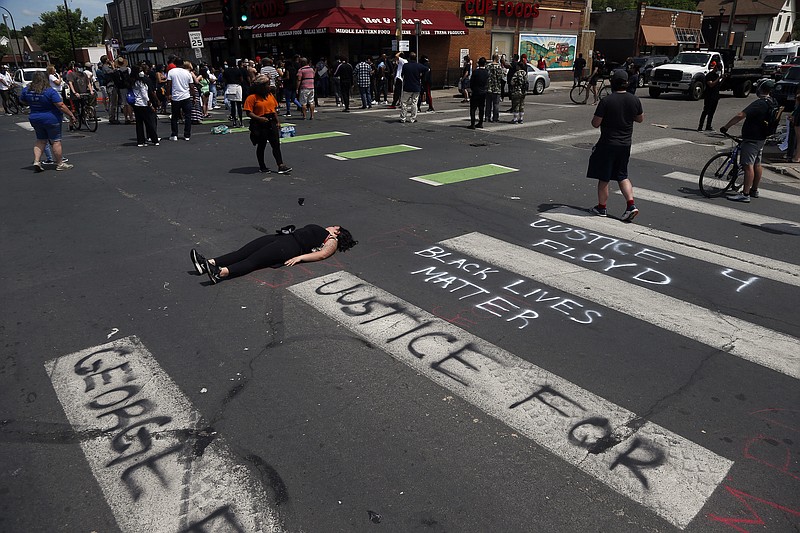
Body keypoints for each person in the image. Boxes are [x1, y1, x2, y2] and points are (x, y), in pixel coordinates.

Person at [191, 224, 357, 284]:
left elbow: (322, 254)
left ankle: (221, 273)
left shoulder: (332, 240)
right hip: (282, 238)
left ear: (338, 230)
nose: (332, 225)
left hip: (289, 247)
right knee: (242, 252)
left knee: (253, 260)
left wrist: (300, 257)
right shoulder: (326, 233)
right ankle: (209, 263)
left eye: (335, 225)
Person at [586, 70, 644, 222]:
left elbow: (595, 123)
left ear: (612, 83)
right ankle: (631, 205)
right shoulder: (634, 100)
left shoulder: (607, 101)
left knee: (604, 177)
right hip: (625, 144)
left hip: (608, 143)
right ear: (626, 82)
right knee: (622, 175)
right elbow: (640, 119)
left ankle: (601, 207)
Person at [720, 79, 778, 202]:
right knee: (757, 163)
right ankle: (754, 190)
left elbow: (741, 115)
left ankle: (745, 194)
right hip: (761, 137)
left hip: (752, 138)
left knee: (747, 166)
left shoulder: (760, 103)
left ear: (760, 89)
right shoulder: (772, 102)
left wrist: (726, 127)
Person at [20, 72, 76, 172]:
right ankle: (59, 163)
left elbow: (22, 101)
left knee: (41, 140)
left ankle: (37, 161)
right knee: (55, 141)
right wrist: (70, 114)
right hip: (51, 118)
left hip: (35, 117)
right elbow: (60, 105)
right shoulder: (49, 91)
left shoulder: (27, 90)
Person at [245, 75, 292, 175]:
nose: (269, 86)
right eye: (266, 84)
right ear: (260, 86)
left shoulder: (270, 95)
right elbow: (248, 112)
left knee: (276, 144)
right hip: (259, 123)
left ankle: (281, 165)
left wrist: (277, 121)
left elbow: (273, 110)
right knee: (261, 145)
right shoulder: (252, 98)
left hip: (271, 122)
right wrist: (259, 118)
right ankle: (262, 166)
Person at [130, 64, 160, 146]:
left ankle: (140, 141)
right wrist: (149, 103)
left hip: (136, 104)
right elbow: (144, 94)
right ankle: (154, 139)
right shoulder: (141, 82)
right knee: (149, 122)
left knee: (139, 123)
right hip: (143, 104)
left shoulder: (132, 81)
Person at [167, 59, 195, 141]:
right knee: (188, 116)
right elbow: (191, 87)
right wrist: (193, 97)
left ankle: (174, 134)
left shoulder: (171, 72)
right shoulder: (187, 73)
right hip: (186, 96)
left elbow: (169, 85)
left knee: (174, 117)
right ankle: (187, 135)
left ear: (175, 64)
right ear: (182, 64)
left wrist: (168, 95)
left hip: (176, 97)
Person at [399, 52, 429, 124]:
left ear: (409, 58)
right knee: (414, 103)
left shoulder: (405, 66)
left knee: (404, 103)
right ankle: (412, 118)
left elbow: (402, 74)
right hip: (416, 87)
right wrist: (421, 75)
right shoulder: (418, 66)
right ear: (416, 58)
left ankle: (403, 118)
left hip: (407, 87)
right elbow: (427, 69)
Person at [698, 61, 723, 132]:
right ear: (715, 67)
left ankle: (708, 126)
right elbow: (711, 84)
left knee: (712, 112)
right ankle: (700, 127)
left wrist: (723, 78)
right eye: (718, 68)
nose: (719, 70)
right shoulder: (709, 75)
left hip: (715, 96)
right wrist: (718, 78)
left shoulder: (716, 76)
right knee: (706, 111)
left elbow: (718, 85)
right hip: (709, 96)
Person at [468, 57, 489, 129]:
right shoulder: (486, 72)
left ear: (478, 63)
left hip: (476, 92)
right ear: (485, 64)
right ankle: (480, 122)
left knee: (473, 108)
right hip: (483, 92)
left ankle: (472, 124)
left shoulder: (475, 72)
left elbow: (471, 82)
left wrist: (471, 89)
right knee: (481, 108)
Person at [223, 61, 245, 126]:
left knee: (232, 105)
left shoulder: (226, 71)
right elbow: (241, 79)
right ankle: (240, 121)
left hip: (230, 86)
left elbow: (224, 79)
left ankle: (234, 121)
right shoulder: (237, 70)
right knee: (239, 105)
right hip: (237, 86)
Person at [509, 55, 529, 124]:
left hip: (517, 91)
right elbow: (527, 82)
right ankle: (521, 119)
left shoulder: (516, 73)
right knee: (522, 105)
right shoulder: (525, 73)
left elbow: (512, 82)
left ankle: (515, 119)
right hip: (523, 92)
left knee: (516, 105)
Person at [485, 54, 503, 123]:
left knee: (488, 104)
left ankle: (487, 117)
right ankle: (495, 118)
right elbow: (501, 77)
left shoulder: (488, 66)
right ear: (497, 58)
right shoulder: (499, 67)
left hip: (489, 87)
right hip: (496, 88)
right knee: (496, 104)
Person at [790, 89, 800, 163]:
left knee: (799, 140)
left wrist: (792, 117)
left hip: (798, 121)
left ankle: (797, 157)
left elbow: (796, 110)